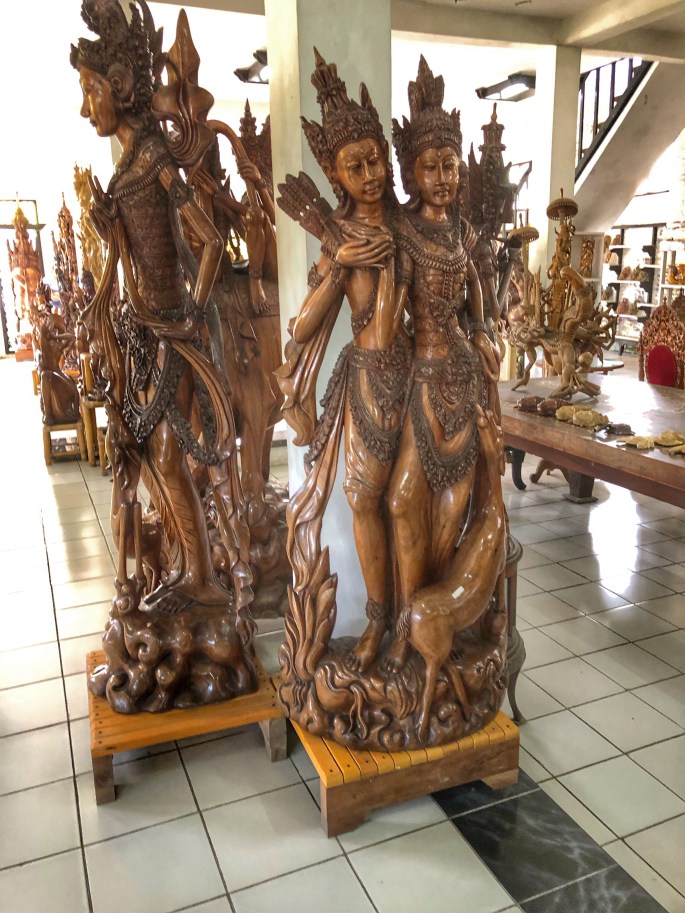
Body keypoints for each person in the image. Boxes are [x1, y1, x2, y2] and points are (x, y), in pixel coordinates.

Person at [276, 51, 410, 671]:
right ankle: (379, 617)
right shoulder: (337, 234)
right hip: (365, 381)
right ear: (334, 172)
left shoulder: (410, 224)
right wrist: (340, 264)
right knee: (362, 499)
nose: (370, 174)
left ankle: (413, 617)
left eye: (375, 159)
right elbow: (305, 324)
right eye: (354, 166)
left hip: (420, 374)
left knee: (411, 500)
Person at [385, 56, 501, 670]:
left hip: (462, 376)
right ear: (412, 171)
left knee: (453, 509)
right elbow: (392, 304)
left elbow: (477, 283)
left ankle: (433, 619)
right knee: (404, 499)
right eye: (430, 167)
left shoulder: (461, 229)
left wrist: (481, 329)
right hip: (421, 377)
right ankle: (407, 618)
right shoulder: (404, 231)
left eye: (450, 165)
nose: (442, 177)